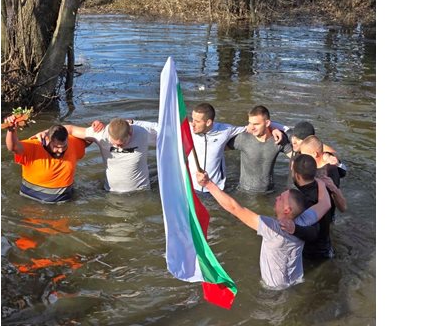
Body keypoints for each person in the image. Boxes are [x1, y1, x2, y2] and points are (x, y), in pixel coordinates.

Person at [195, 169, 331, 289]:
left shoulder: (272, 229)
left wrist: (209, 185)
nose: (277, 197)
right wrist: (321, 183)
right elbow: (325, 203)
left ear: (287, 210)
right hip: (297, 281)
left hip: (274, 288)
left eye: (281, 198)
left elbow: (235, 208)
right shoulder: (304, 220)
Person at [134, 102, 289, 193]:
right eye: (192, 119)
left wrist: (276, 129)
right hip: (191, 189)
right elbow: (158, 127)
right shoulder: (186, 130)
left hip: (216, 189)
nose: (192, 124)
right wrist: (132, 123)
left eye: (197, 121)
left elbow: (252, 128)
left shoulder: (225, 130)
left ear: (208, 122)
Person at [39, 118, 158, 193]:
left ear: (130, 133)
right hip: (111, 192)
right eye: (114, 144)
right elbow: (70, 129)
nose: (118, 147)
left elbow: (167, 130)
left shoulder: (143, 133)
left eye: (122, 144)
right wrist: (45, 133)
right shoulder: (102, 134)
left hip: (140, 192)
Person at [4, 116, 91, 203]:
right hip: (31, 203)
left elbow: (89, 139)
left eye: (64, 146)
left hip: (64, 205)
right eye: (56, 147)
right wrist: (11, 130)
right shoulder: (34, 146)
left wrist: (95, 127)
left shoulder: (72, 143)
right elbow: (13, 147)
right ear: (47, 139)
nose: (60, 150)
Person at [226, 105, 292, 194]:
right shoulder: (242, 138)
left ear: (267, 123)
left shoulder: (278, 140)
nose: (252, 127)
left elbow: (297, 158)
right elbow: (218, 149)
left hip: (269, 192)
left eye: (256, 124)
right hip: (245, 192)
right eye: (250, 123)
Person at [290, 153, 337, 259]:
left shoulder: (298, 198)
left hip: (310, 253)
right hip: (327, 248)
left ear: (297, 175)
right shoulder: (326, 189)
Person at [299, 135, 347, 212]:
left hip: (325, 217)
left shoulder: (330, 171)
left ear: (314, 154)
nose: (303, 159)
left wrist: (333, 188)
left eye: (304, 156)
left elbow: (343, 208)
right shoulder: (311, 166)